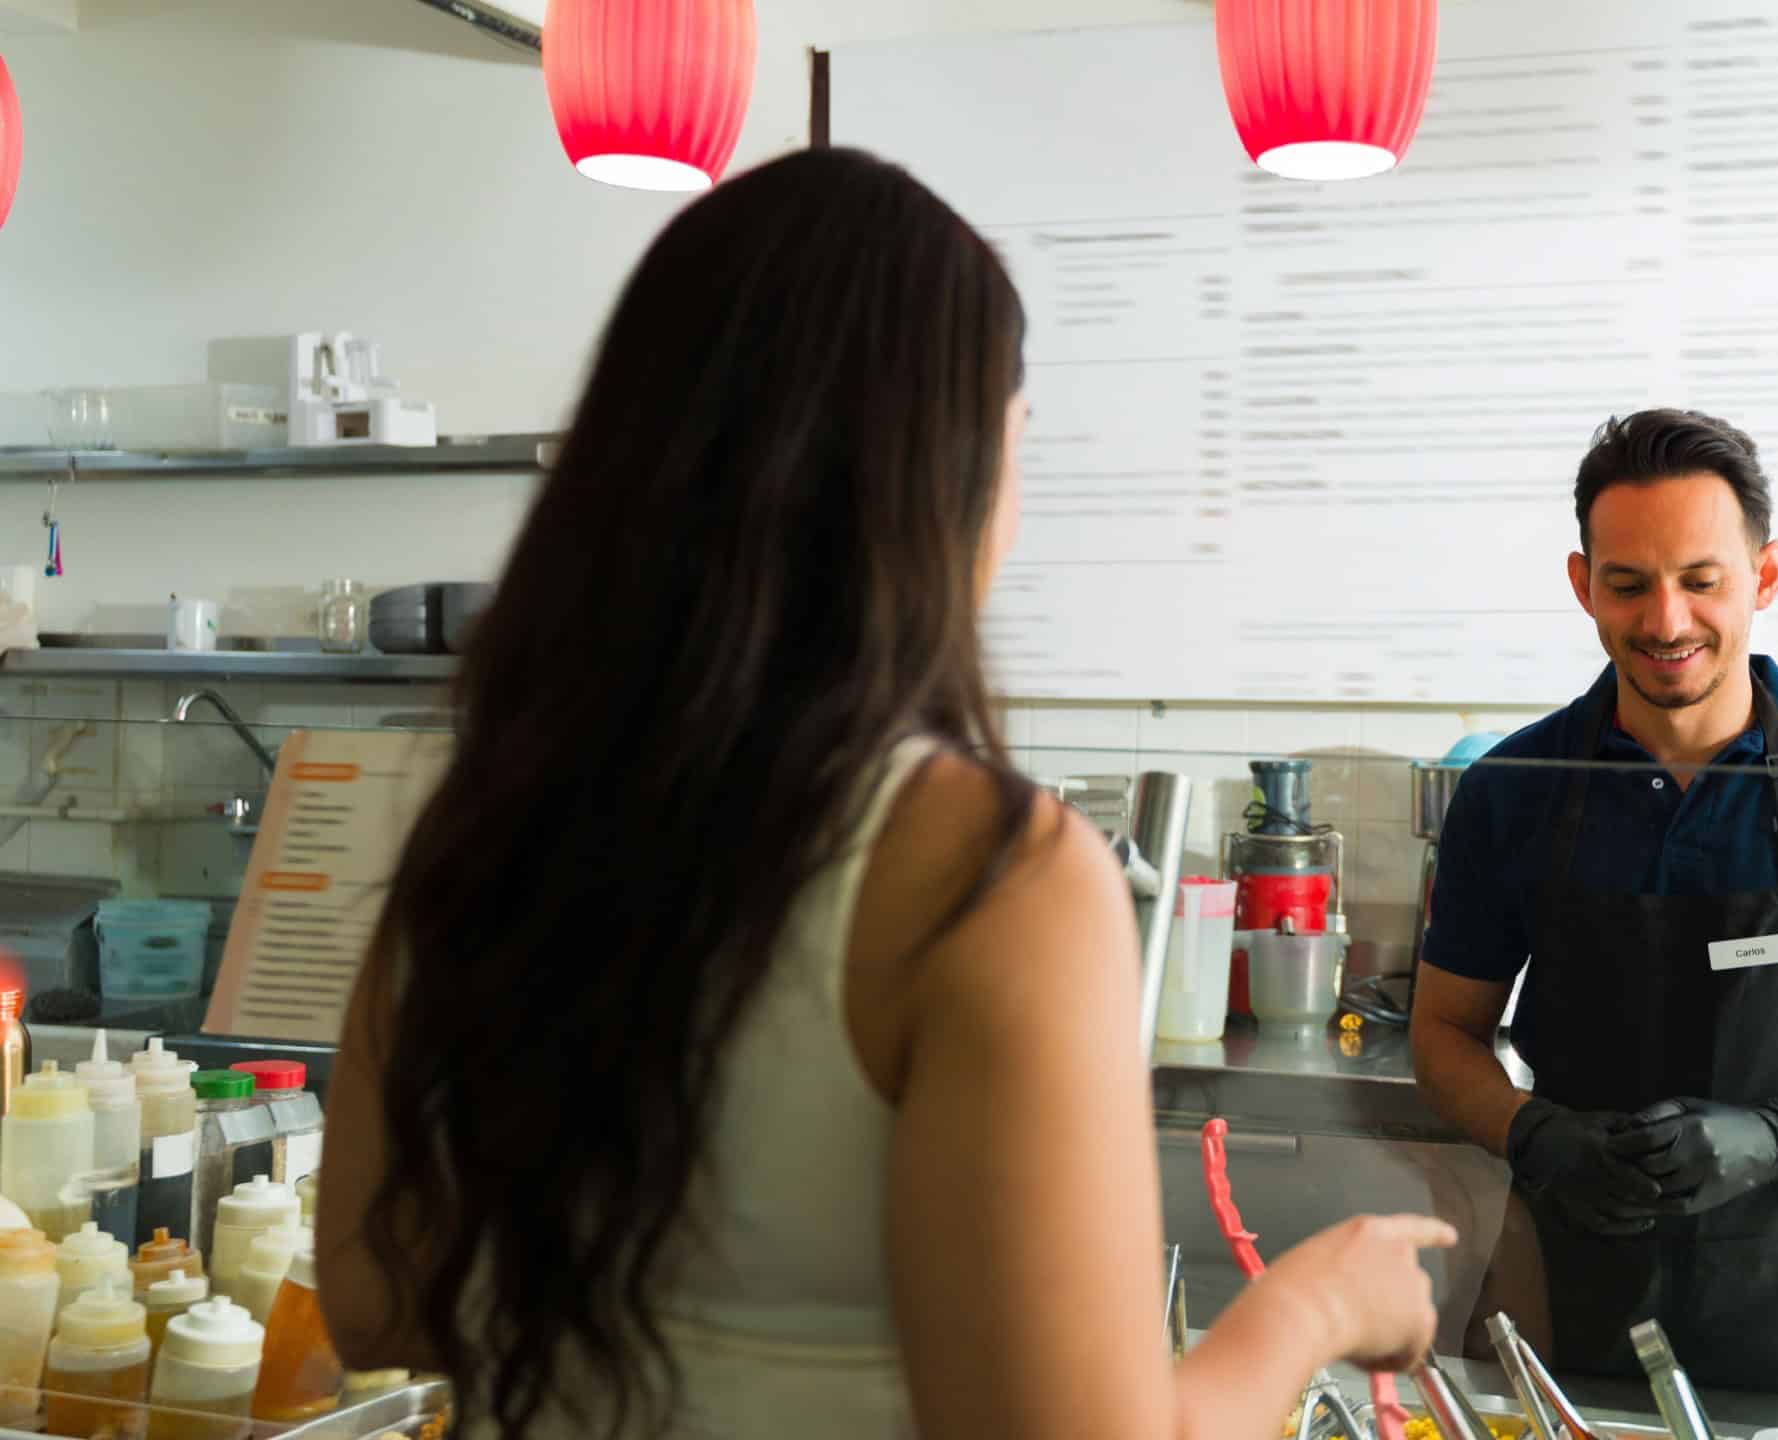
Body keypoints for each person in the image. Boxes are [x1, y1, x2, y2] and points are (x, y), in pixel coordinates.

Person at [312, 148, 1452, 1440]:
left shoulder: (488, 816)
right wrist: (1310, 1308)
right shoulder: (985, 870)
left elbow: (373, 1297)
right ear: (947, 473)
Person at [1409, 409, 1778, 1397]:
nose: (1665, 621)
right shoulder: (1516, 789)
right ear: (1582, 583)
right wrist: (1531, 1131)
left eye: (1700, 581)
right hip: (1569, 1306)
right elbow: (1441, 1033)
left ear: (1763, 576)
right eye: (1628, 584)